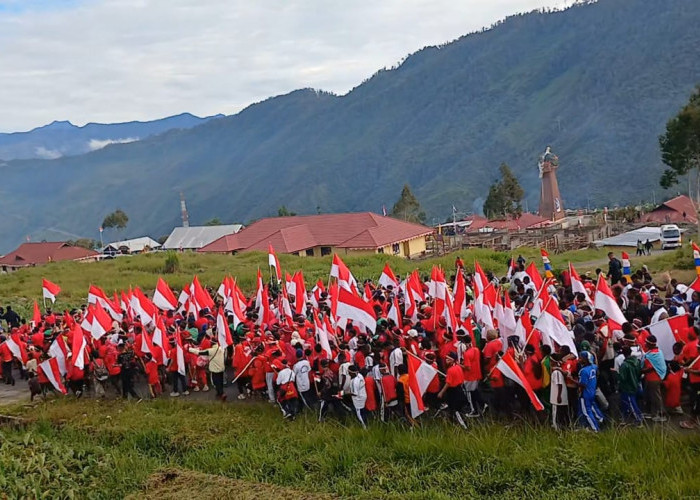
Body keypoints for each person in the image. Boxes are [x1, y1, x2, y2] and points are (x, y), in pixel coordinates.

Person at [641, 335, 667, 422]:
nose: (645, 344)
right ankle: (651, 413)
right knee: (650, 396)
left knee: (656, 397)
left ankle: (661, 414)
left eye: (646, 342)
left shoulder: (651, 355)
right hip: (651, 378)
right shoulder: (658, 351)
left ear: (649, 344)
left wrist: (640, 370)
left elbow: (649, 368)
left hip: (654, 379)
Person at [438, 353, 467, 429]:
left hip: (454, 391)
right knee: (453, 408)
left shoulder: (450, 370)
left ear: (452, 360)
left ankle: (464, 426)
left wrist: (441, 392)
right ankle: (453, 421)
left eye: (448, 359)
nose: (446, 361)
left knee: (456, 410)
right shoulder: (458, 367)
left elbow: (448, 383)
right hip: (459, 388)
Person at [577, 351, 604, 432]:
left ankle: (595, 429)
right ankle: (600, 418)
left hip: (585, 393)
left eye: (581, 357)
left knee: (586, 412)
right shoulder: (594, 367)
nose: (579, 359)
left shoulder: (583, 371)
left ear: (585, 359)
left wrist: (570, 379)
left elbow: (582, 384)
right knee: (592, 407)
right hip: (592, 391)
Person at [616, 346, 643, 425]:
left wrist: (616, 373)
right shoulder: (636, 361)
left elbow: (622, 378)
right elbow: (639, 373)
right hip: (636, 384)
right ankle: (625, 417)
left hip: (627, 387)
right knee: (626, 402)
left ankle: (638, 419)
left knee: (632, 403)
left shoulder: (624, 365)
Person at [549, 354, 568, 430]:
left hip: (556, 397)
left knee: (556, 412)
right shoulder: (557, 370)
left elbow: (559, 384)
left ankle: (556, 427)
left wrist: (558, 396)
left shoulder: (556, 372)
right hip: (557, 396)